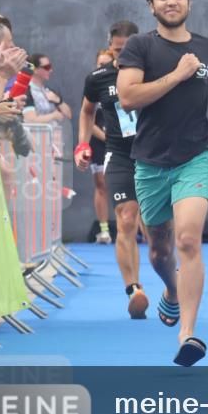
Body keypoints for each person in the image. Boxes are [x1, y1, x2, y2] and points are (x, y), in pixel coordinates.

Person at [116, 0, 208, 366]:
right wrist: (177, 75)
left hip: (194, 158)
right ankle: (171, 292)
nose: (171, 2)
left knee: (188, 240)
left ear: (189, 0)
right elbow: (129, 97)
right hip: (150, 162)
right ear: (152, 5)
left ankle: (187, 333)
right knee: (158, 250)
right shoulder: (139, 46)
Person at [76, 23, 149, 317]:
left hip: (153, 154)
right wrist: (82, 145)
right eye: (119, 50)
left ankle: (172, 284)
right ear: (110, 48)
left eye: (129, 48)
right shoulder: (98, 77)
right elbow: (86, 110)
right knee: (127, 219)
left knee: (156, 226)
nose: (124, 54)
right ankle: (134, 289)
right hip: (119, 155)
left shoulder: (153, 72)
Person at [89, 48, 114, 244]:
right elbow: (86, 117)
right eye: (100, 63)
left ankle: (140, 230)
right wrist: (105, 136)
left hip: (121, 141)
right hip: (99, 141)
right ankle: (104, 230)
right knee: (101, 184)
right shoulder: (93, 83)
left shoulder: (122, 81)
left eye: (107, 63)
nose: (103, 66)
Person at [23, 54, 72, 125]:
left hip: (51, 135)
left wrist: (58, 100)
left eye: (50, 66)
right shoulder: (27, 91)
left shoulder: (49, 91)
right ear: (35, 70)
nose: (51, 70)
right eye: (47, 67)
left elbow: (68, 115)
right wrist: (53, 116)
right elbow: (30, 120)